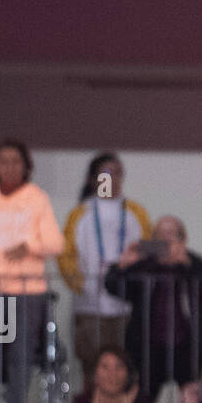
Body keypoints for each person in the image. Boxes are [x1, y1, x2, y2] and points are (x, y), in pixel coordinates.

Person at [0, 139, 64, 403]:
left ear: (26, 166)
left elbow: (56, 242)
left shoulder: (36, 198)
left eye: (15, 161)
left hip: (26, 290)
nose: (9, 167)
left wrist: (29, 247)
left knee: (20, 356)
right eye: (3, 161)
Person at [103, 215, 202, 402]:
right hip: (148, 348)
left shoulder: (192, 263)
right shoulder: (144, 265)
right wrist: (123, 264)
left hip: (187, 348)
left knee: (196, 400)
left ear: (182, 240)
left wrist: (187, 263)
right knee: (142, 401)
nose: (166, 239)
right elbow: (113, 286)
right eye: (161, 234)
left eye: (172, 234)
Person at [57, 153, 152, 382]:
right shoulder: (80, 214)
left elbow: (149, 250)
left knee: (126, 368)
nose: (113, 179)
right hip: (90, 307)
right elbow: (66, 254)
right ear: (93, 179)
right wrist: (81, 286)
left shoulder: (135, 212)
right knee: (93, 368)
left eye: (118, 173)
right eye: (106, 173)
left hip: (126, 307)